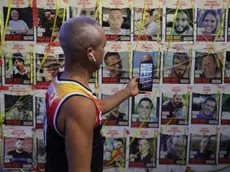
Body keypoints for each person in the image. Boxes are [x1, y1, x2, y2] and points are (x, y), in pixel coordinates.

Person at [44, 16, 139, 172]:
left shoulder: (61, 83)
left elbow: (94, 107)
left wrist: (127, 91)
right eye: (103, 46)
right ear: (91, 53)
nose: (104, 51)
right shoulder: (79, 105)